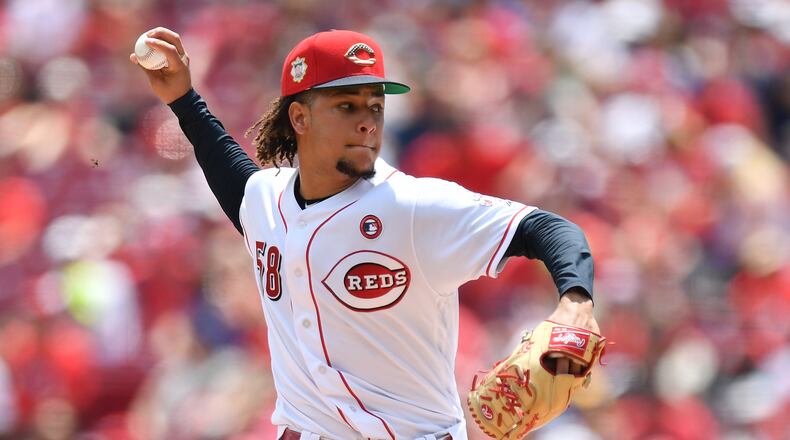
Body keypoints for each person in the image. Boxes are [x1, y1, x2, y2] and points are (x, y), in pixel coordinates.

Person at [131, 27, 600, 440]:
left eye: (376, 106)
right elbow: (227, 168)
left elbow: (547, 228)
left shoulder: (414, 207)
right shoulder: (265, 201)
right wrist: (183, 99)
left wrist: (575, 301)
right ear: (300, 118)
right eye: (346, 105)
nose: (367, 121)